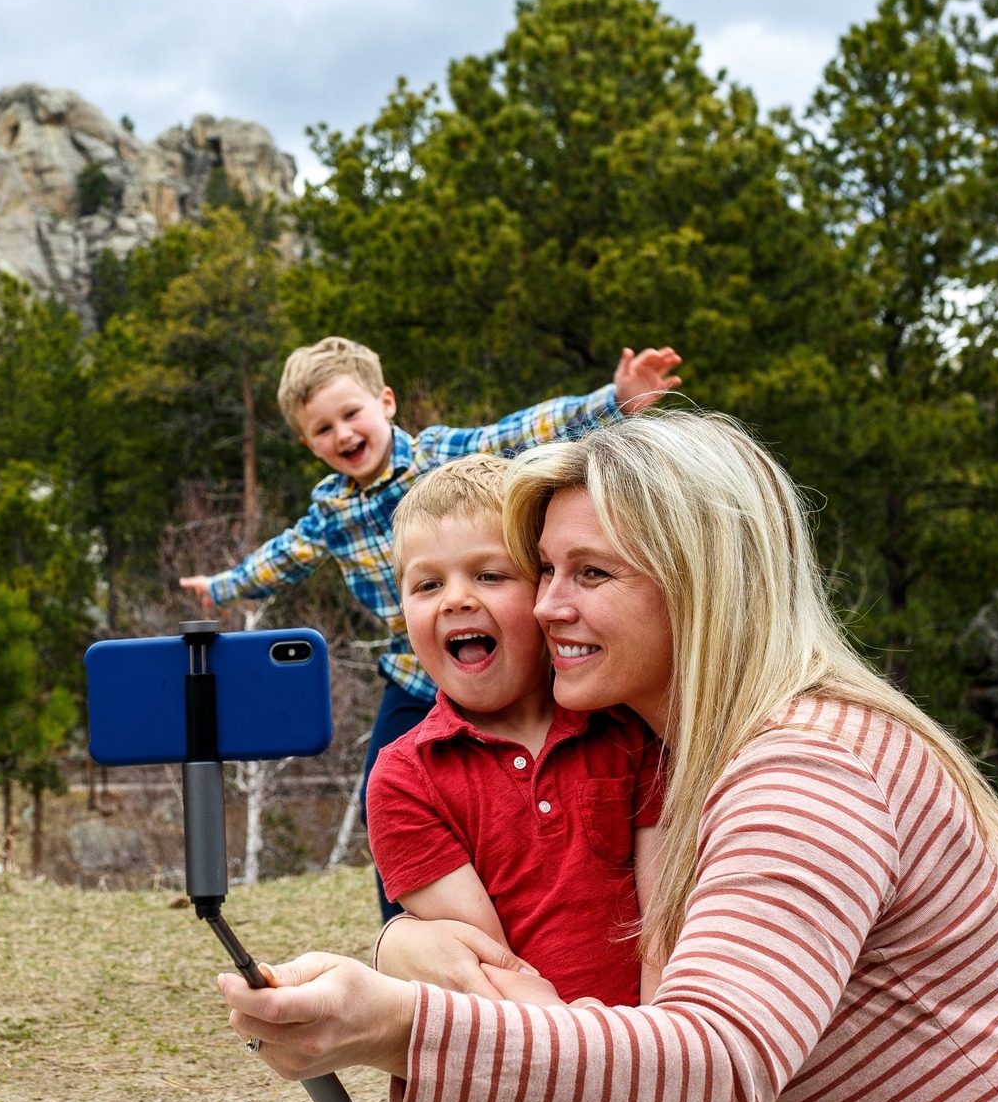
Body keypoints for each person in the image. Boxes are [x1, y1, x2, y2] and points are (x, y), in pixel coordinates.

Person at [219, 411, 998, 1102]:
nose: (546, 604)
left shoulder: (803, 766)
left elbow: (708, 1069)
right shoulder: (686, 748)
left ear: (699, 582)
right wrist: (406, 935)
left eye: (587, 574)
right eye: (545, 568)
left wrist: (393, 1022)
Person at [368, 453, 873, 1102]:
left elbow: (663, 917)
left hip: (657, 1062)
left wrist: (660, 1095)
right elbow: (489, 972)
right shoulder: (407, 775)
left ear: (542, 598)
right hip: (521, 1095)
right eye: (426, 584)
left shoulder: (629, 733)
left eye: (490, 575)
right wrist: (606, 1089)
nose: (456, 598)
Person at [181, 336, 683, 919]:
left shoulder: (439, 457)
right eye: (322, 430)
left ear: (386, 402)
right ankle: (406, 924)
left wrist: (612, 400)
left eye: (351, 414)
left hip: (511, 657)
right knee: (388, 792)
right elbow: (279, 559)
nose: (342, 435)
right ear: (307, 443)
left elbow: (518, 432)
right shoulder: (329, 514)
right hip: (411, 670)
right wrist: (220, 589)